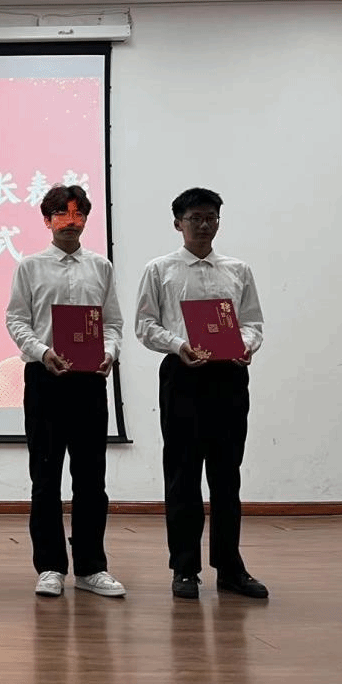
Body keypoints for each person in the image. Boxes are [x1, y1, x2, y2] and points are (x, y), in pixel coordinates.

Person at [135, 187, 267, 600]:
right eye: (195, 218)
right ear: (178, 223)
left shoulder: (238, 270)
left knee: (227, 475)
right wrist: (179, 346)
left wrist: (246, 345)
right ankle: (184, 568)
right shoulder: (160, 269)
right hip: (183, 375)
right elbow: (145, 325)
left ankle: (230, 567)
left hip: (229, 376)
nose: (204, 225)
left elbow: (253, 322)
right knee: (183, 474)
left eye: (211, 218)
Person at [5, 185, 126, 599]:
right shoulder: (30, 267)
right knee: (45, 478)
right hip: (46, 379)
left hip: (90, 381)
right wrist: (42, 352)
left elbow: (112, 323)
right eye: (61, 213)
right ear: (47, 220)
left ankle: (91, 567)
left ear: (86, 219)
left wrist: (109, 352)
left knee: (91, 478)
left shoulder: (100, 267)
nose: (70, 222)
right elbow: (16, 320)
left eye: (78, 214)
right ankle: (50, 567)